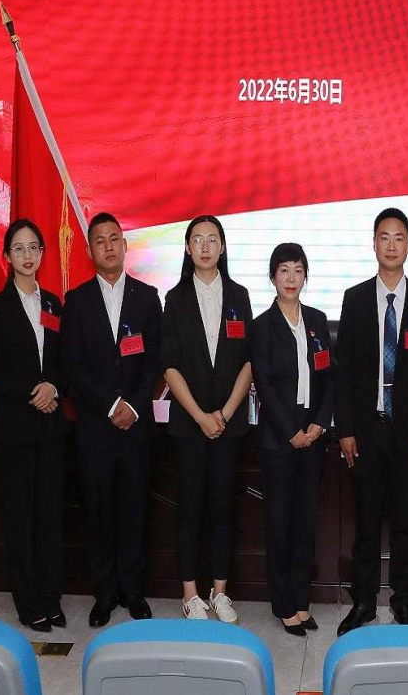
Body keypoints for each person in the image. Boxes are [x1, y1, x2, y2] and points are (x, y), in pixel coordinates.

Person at [334, 209, 408, 634]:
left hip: (407, 434)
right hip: (365, 430)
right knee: (365, 524)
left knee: (403, 524)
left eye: (399, 238)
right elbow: (344, 372)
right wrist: (345, 429)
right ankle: (363, 603)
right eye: (385, 237)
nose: (392, 245)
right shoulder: (355, 299)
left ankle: (402, 602)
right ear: (374, 243)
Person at [60, 212, 163, 628]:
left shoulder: (147, 297)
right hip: (96, 429)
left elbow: (154, 360)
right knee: (100, 512)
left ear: (124, 245)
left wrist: (133, 406)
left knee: (134, 510)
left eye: (114, 238)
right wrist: (110, 404)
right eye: (100, 241)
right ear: (90, 251)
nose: (108, 246)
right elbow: (72, 366)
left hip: (136, 426)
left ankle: (132, 590)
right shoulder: (76, 301)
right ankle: (104, 593)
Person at [160, 215, 254, 622]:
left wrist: (225, 414)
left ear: (222, 247)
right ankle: (190, 594)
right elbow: (169, 365)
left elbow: (248, 361)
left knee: (222, 507)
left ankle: (220, 592)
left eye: (212, 239)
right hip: (189, 425)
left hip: (228, 425)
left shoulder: (239, 295)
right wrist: (200, 416)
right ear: (187, 248)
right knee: (190, 509)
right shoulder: (175, 298)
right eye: (197, 240)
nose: (204, 247)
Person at [0, 219, 66, 633]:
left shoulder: (54, 304)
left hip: (50, 429)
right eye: (19, 249)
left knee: (49, 517)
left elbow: (64, 361)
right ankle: (28, 602)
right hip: (15, 428)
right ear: (7, 257)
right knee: (20, 519)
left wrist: (54, 386)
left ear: (43, 254)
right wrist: (35, 390)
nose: (27, 255)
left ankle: (51, 597)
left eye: (34, 248)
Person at [250, 243, 334, 635]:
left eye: (298, 270)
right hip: (279, 440)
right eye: (284, 270)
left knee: (305, 524)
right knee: (280, 523)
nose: (291, 278)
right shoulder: (262, 326)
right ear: (272, 276)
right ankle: (283, 603)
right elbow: (264, 384)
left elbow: (328, 378)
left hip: (313, 438)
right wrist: (292, 432)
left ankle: (301, 600)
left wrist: (319, 424)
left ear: (305, 276)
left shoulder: (317, 321)